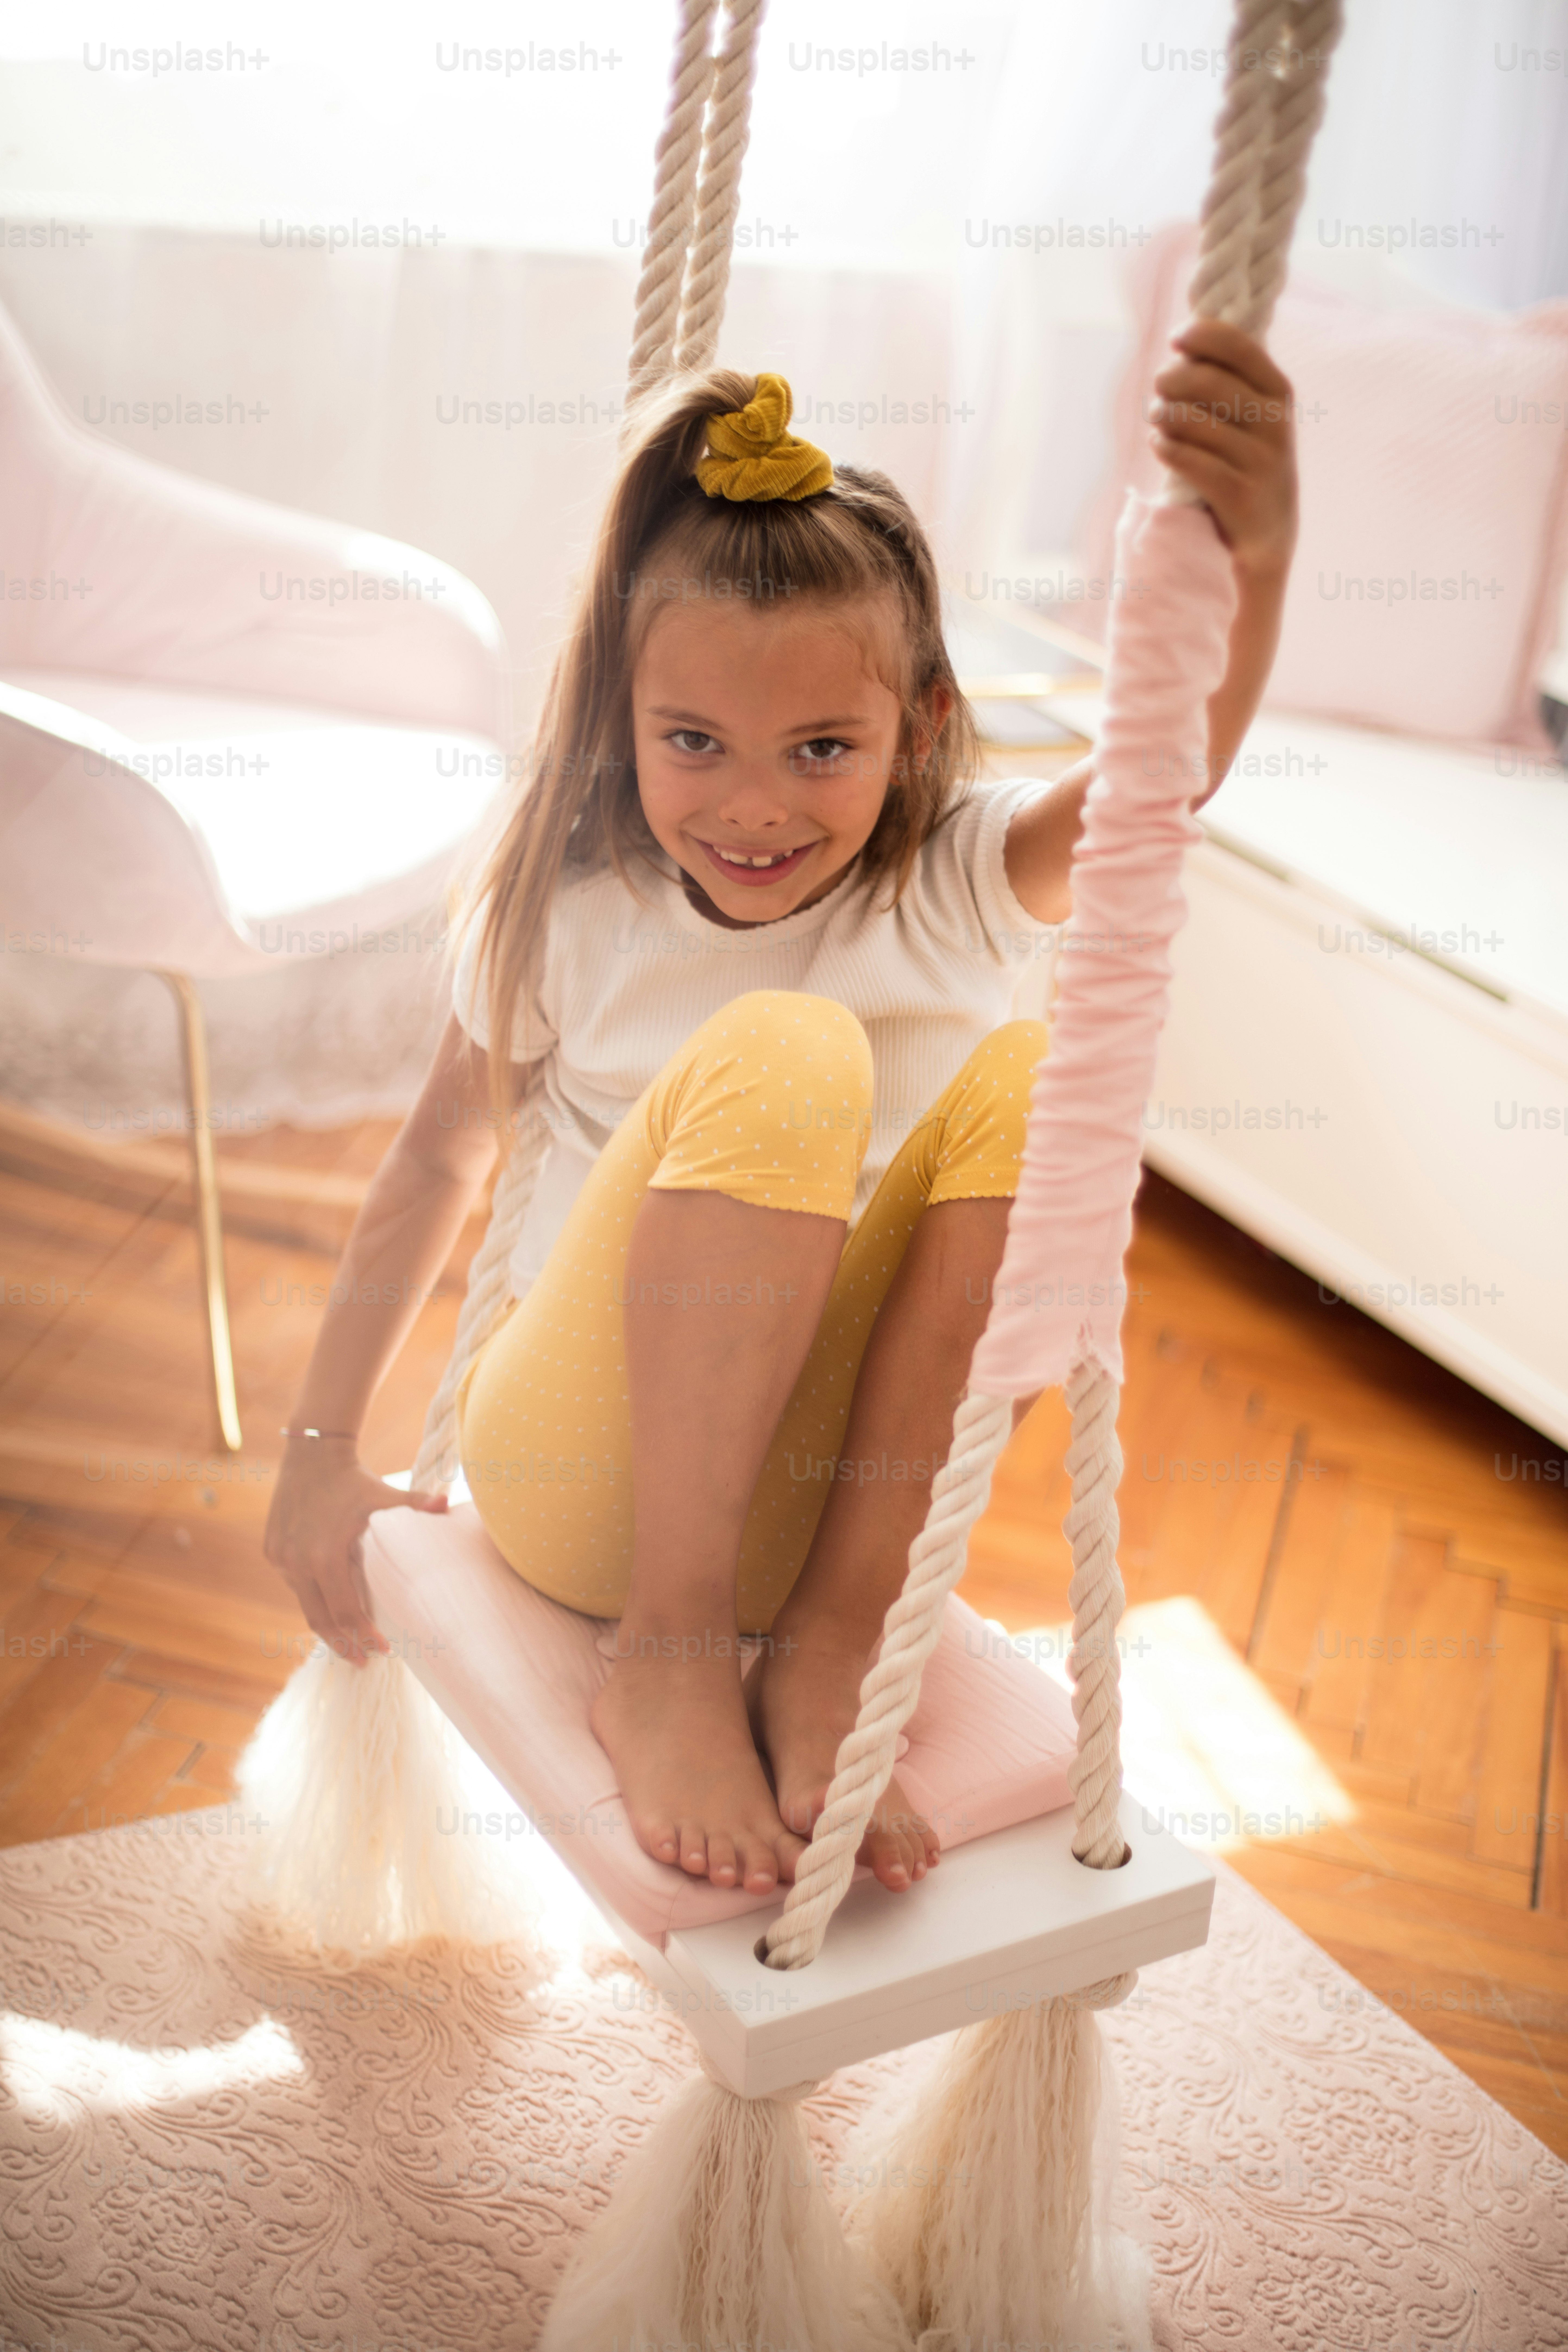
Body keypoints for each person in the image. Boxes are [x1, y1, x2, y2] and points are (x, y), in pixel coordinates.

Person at [265, 330, 1297, 1906]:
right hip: (589, 1475)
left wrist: (1263, 555)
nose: (754, 808)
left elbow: (1160, 783)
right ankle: (669, 1655)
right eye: (697, 743)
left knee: (1047, 1082)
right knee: (792, 1056)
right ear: (627, 712)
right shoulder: (580, 902)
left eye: (823, 750)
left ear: (924, 726)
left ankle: (836, 1638)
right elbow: (433, 1164)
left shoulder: (950, 885)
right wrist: (321, 1448)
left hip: (829, 1510)